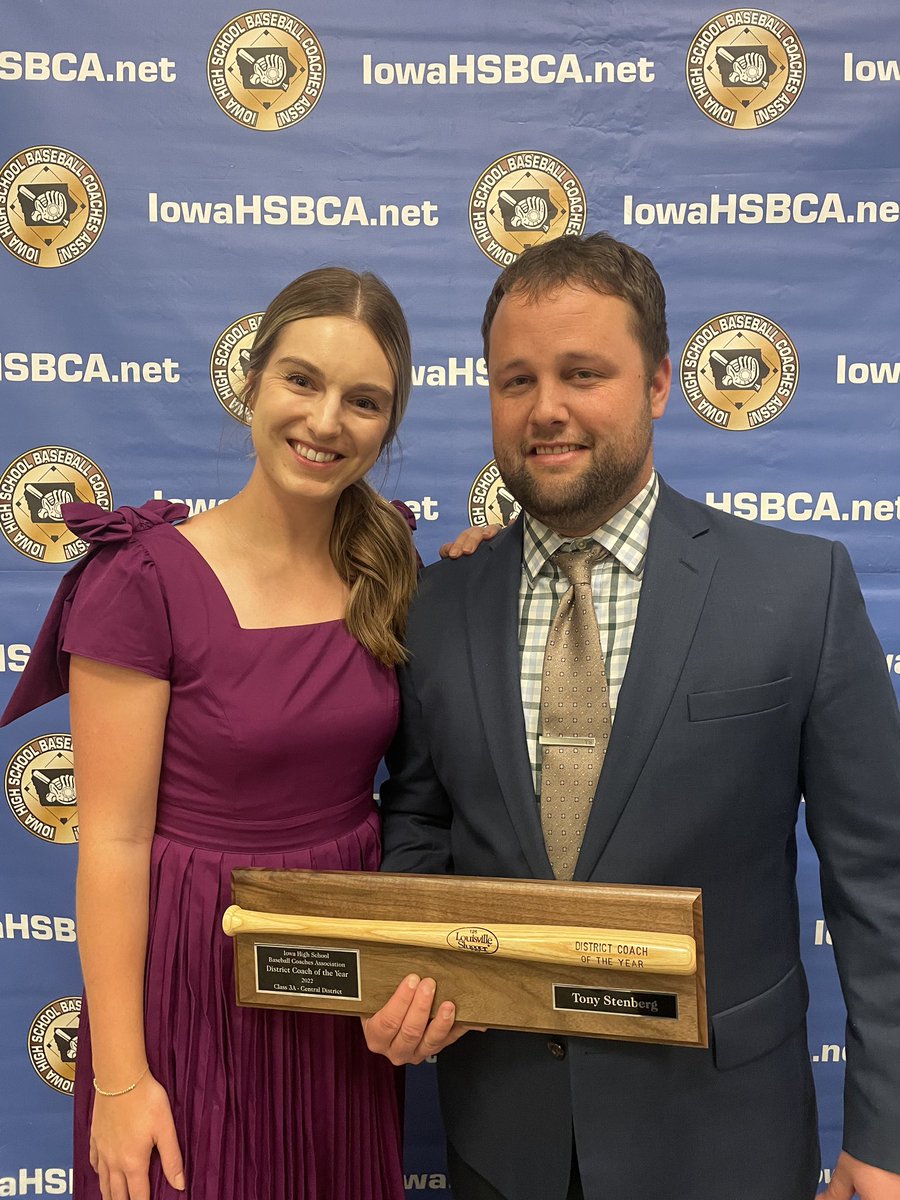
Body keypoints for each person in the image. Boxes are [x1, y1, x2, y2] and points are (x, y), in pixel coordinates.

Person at [363, 234, 900, 1200]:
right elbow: (421, 821)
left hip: (723, 1140)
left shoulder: (798, 589)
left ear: (658, 383)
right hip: (502, 1138)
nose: (546, 409)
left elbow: (880, 885)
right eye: (515, 379)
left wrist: (888, 1134)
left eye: (583, 373)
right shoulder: (441, 604)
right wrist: (409, 969)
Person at [1, 266, 423, 1200]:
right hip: (195, 978)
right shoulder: (142, 580)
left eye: (363, 401)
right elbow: (108, 840)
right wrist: (119, 1079)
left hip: (339, 979)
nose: (325, 422)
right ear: (253, 382)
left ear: (388, 426)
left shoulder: (388, 560)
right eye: (301, 381)